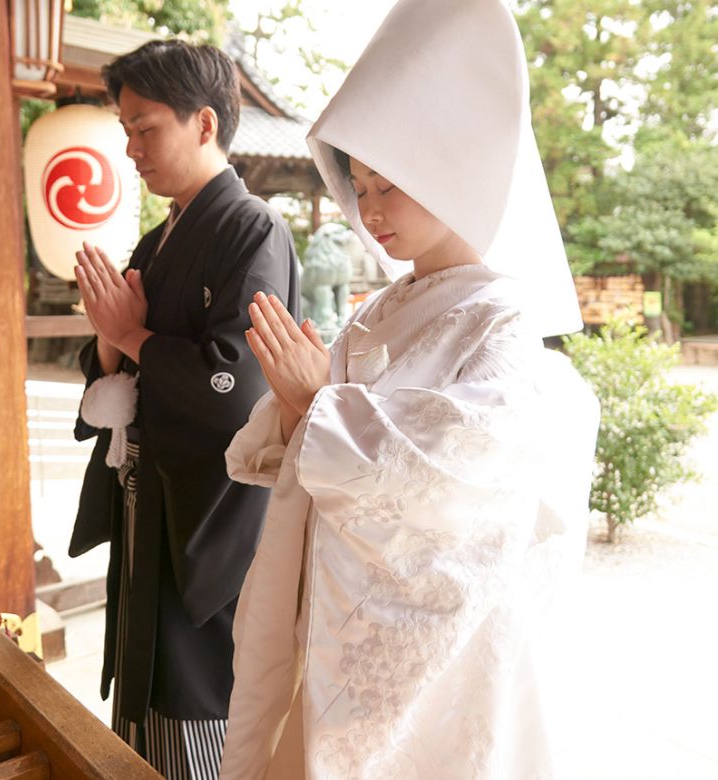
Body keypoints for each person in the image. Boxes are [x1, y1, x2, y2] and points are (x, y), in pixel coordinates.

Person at [218, 1, 600, 778]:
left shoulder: (501, 319)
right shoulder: (384, 306)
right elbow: (334, 427)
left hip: (438, 659)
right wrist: (305, 412)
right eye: (359, 185)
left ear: (451, 170)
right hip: (336, 624)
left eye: (389, 183)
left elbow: (461, 473)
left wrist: (317, 408)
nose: (370, 209)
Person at [69, 39, 301, 780]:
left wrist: (131, 334)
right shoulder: (157, 237)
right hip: (150, 505)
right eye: (125, 131)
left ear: (204, 123)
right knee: (144, 679)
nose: (132, 148)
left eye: (146, 128)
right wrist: (111, 342)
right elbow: (117, 360)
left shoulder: (252, 230)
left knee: (198, 694)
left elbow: (241, 383)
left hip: (205, 511)